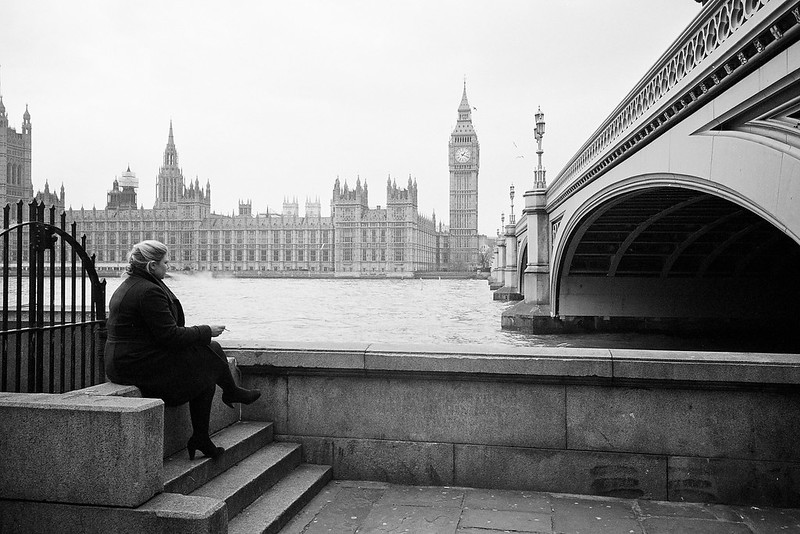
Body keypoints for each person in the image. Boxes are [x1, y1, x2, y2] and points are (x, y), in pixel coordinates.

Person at [105, 240, 261, 460]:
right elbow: (170, 336)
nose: (169, 267)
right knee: (208, 358)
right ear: (151, 266)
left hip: (133, 358)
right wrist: (207, 329)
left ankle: (203, 434)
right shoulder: (148, 291)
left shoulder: (136, 283)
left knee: (208, 359)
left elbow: (164, 333)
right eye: (165, 263)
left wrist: (202, 335)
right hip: (135, 366)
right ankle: (229, 395)